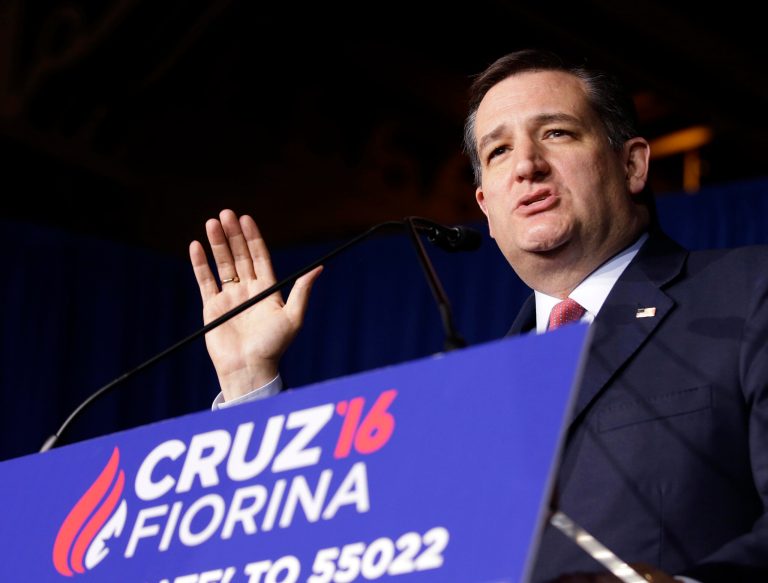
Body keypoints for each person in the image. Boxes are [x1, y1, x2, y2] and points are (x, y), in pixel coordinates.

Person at [188, 49, 768, 582]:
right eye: (498, 151)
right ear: (486, 208)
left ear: (633, 165)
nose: (527, 166)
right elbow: (350, 559)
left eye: (557, 133)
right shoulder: (468, 395)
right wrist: (248, 382)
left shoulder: (747, 292)